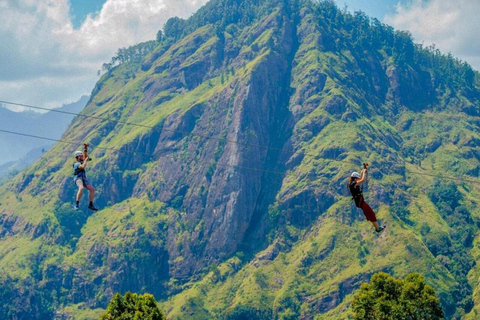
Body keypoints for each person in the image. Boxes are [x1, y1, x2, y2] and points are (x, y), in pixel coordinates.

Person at [348, 167, 385, 233]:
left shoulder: (352, 183)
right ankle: (377, 228)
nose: (358, 179)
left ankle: (377, 227)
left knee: (370, 213)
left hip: (360, 202)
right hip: (361, 202)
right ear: (355, 178)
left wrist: (363, 171)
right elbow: (362, 180)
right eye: (358, 178)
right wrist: (364, 173)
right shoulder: (354, 183)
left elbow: (361, 178)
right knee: (371, 213)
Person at [73, 147, 98, 211]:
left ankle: (91, 204)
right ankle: (77, 204)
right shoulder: (77, 164)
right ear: (78, 157)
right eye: (81, 156)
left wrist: (85, 150)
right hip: (78, 178)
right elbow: (82, 167)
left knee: (92, 190)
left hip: (83, 178)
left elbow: (86, 157)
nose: (82, 157)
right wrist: (85, 160)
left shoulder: (82, 161)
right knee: (81, 188)